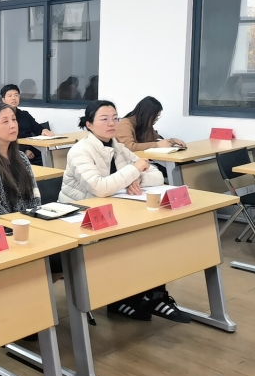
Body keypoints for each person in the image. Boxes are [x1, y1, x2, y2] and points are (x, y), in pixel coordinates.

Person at [59, 100, 189, 323]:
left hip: (112, 211)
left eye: (115, 118)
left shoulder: (118, 147)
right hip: (81, 217)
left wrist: (134, 178)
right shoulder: (80, 151)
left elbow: (157, 175)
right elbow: (100, 188)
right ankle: (120, 300)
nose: (112, 123)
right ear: (89, 124)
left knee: (151, 236)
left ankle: (152, 297)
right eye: (104, 119)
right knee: (130, 243)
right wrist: (132, 171)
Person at [0, 84, 54, 166]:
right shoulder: (0, 117)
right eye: (10, 96)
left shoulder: (24, 114)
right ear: (3, 100)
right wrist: (23, 150)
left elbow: (37, 128)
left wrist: (43, 130)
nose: (13, 98)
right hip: (12, 151)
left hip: (30, 150)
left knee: (50, 160)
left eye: (16, 95)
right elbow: (3, 139)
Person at [117, 96, 186, 153]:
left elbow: (157, 140)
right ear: (147, 115)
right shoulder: (125, 124)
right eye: (156, 116)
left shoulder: (145, 124)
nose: (156, 119)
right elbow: (129, 147)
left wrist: (171, 141)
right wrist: (157, 145)